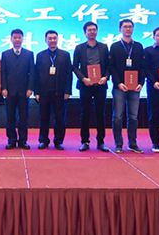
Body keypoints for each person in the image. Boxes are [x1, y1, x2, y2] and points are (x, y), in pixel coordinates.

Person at [72, 21, 110, 152]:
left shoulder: (104, 47)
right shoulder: (79, 48)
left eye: (94, 29)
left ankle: (101, 142)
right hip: (85, 85)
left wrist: (106, 77)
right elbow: (74, 67)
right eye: (89, 30)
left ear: (97, 31)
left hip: (100, 85)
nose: (92, 32)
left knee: (100, 113)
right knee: (85, 113)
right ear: (85, 33)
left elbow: (109, 66)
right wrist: (83, 79)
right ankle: (85, 141)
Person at [108, 19, 145, 154]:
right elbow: (111, 67)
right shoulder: (115, 46)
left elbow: (143, 67)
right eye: (125, 27)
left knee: (133, 116)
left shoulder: (139, 46)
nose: (128, 29)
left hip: (135, 87)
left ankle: (132, 143)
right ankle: (118, 143)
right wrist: (118, 83)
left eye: (130, 27)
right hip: (119, 87)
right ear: (120, 29)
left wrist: (141, 83)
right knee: (118, 116)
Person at [34, 30, 73, 150]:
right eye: (49, 38)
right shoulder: (40, 55)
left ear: (58, 39)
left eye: (54, 38)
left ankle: (58, 141)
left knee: (60, 118)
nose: (52, 40)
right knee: (43, 118)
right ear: (45, 40)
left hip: (60, 92)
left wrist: (68, 91)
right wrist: (36, 92)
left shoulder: (65, 55)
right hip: (44, 92)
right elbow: (36, 75)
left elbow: (69, 74)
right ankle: (43, 140)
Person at [1, 29, 35, 150]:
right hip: (9, 91)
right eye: (15, 37)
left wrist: (30, 88)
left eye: (19, 37)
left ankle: (23, 140)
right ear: (11, 39)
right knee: (10, 117)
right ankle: (11, 140)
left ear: (22, 39)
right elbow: (3, 73)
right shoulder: (5, 54)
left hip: (24, 91)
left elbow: (32, 72)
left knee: (23, 117)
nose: (17, 40)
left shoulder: (29, 54)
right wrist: (4, 88)